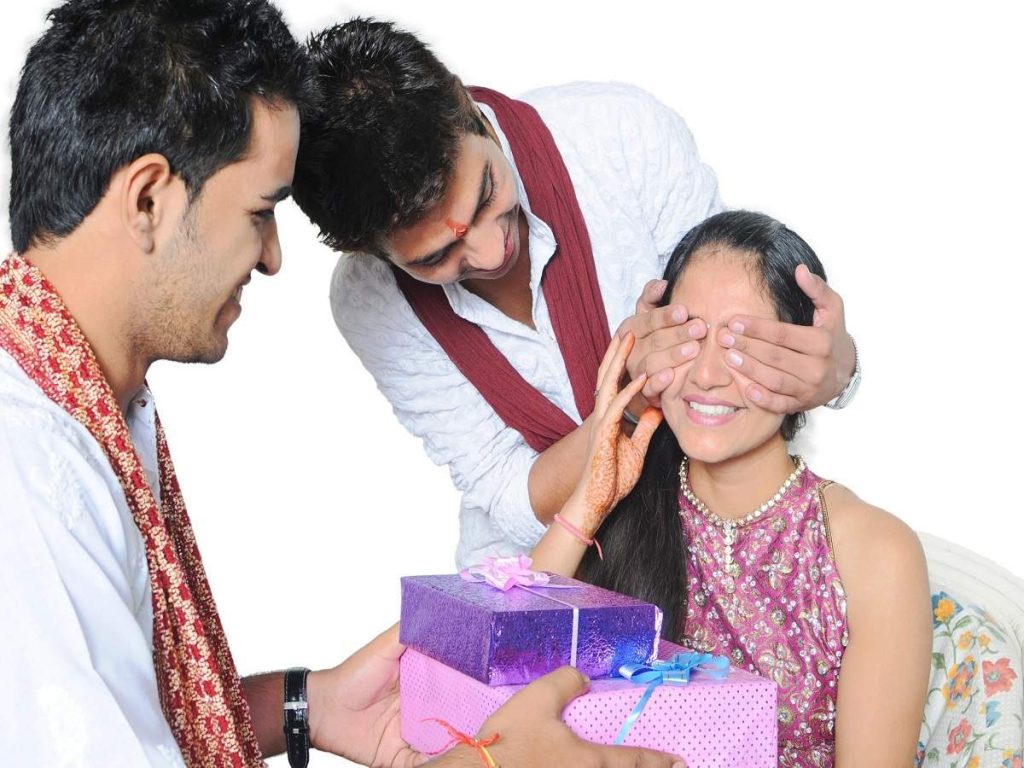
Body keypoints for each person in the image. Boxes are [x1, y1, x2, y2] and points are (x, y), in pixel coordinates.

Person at [0, 2, 688, 766]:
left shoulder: (68, 399)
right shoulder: (27, 468)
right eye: (261, 212)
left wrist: (307, 705)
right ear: (149, 199)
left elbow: (121, 704)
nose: (271, 259)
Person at [293, 19, 860, 568]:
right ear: (371, 252)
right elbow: (507, 495)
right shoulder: (369, 302)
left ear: (468, 109)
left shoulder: (617, 134)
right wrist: (631, 402)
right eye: (436, 257)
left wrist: (838, 373)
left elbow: (740, 344)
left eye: (487, 192)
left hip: (722, 536)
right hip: (543, 570)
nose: (492, 254)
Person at [530, 210, 932, 766]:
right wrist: (588, 499)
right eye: (689, 339)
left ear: (806, 361)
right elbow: (509, 692)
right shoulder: (626, 507)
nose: (707, 377)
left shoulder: (875, 552)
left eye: (743, 344)